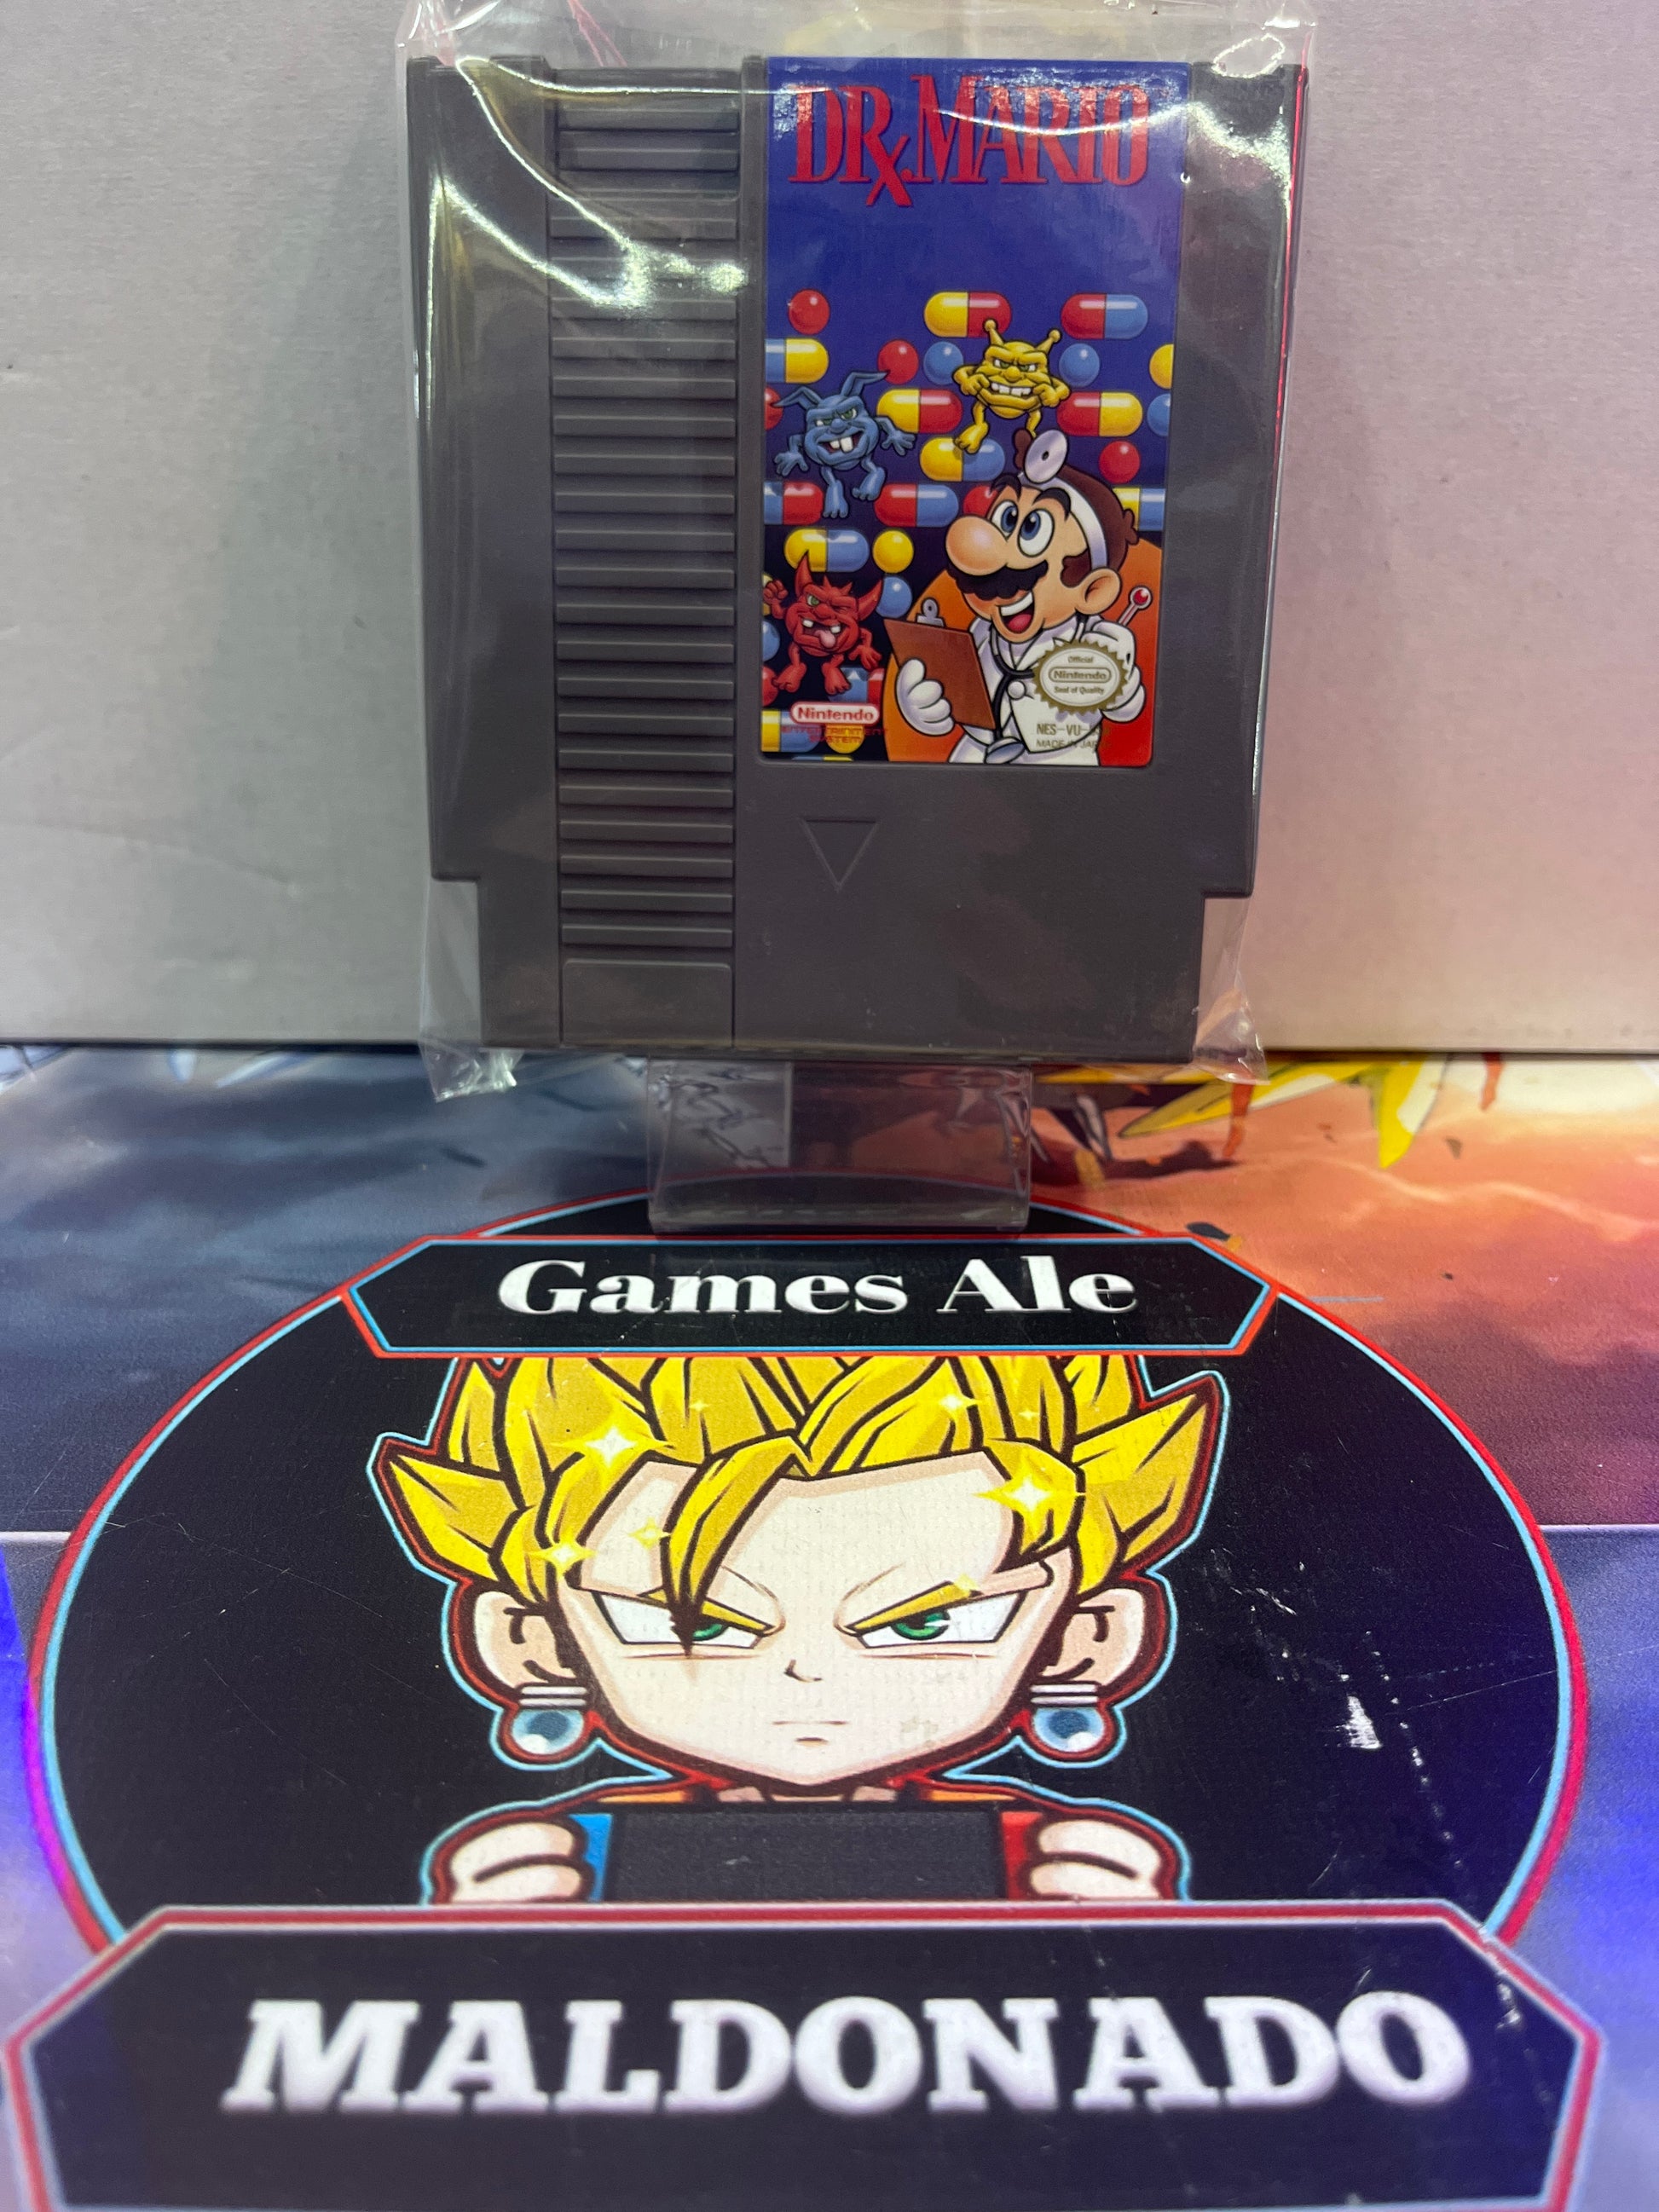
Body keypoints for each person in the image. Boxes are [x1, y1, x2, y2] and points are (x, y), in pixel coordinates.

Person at [374, 1350, 1221, 1904]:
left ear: (1083, 1639)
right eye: (697, 1626)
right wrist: (496, 1923)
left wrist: (1119, 1919)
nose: (807, 1673)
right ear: (534, 1645)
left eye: (925, 1622)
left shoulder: (1032, 1852)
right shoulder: (578, 1854)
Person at [893, 430, 1147, 764]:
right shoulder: (981, 633)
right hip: (974, 756)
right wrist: (918, 703)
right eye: (1007, 520)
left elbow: (1126, 709)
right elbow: (957, 690)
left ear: (1093, 590)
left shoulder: (1098, 642)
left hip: (1063, 764)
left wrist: (1120, 681)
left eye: (1030, 529)